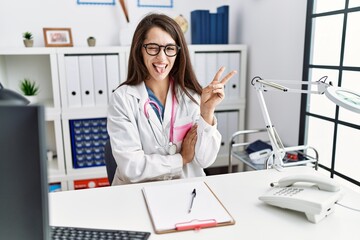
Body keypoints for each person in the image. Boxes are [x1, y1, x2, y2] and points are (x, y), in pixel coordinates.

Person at [107, 13, 236, 185]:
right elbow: (132, 167)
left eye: (169, 48)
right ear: (140, 49)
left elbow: (205, 160)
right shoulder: (123, 99)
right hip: (137, 192)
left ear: (177, 52)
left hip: (185, 189)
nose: (161, 57)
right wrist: (180, 159)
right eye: (153, 47)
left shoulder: (192, 96)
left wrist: (207, 112)